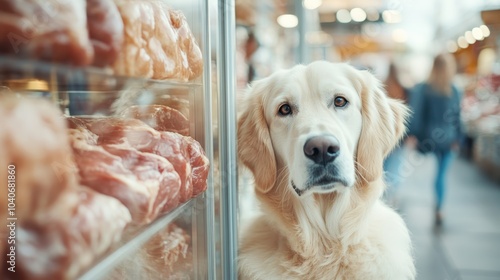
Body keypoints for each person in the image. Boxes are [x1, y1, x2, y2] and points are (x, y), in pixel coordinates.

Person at [407, 53, 462, 225]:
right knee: (441, 174)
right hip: (449, 138)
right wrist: (459, 137)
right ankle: (439, 207)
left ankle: (436, 205)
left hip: (430, 137)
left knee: (418, 170)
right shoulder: (454, 90)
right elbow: (457, 116)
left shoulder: (423, 88)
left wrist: (412, 134)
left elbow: (415, 113)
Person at [383, 62, 409, 206]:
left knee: (384, 166)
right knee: (396, 167)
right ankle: (392, 195)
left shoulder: (383, 86)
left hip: (384, 135)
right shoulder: (403, 89)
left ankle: (383, 195)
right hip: (399, 136)